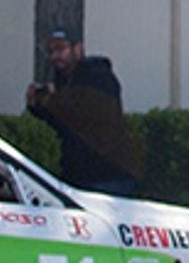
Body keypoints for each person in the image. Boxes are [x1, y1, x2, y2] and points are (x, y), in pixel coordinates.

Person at [26, 29, 141, 195]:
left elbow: (85, 111)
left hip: (108, 174)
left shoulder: (99, 75)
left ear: (78, 49)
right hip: (78, 176)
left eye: (61, 49)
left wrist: (51, 100)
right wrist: (37, 106)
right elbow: (61, 122)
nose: (55, 56)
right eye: (51, 51)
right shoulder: (62, 82)